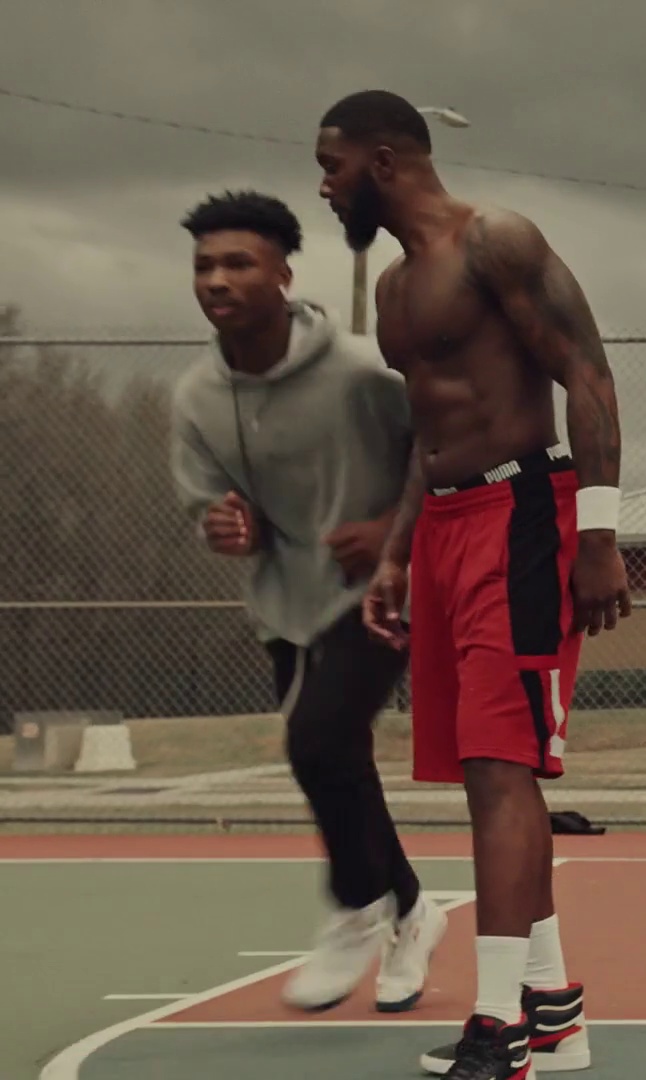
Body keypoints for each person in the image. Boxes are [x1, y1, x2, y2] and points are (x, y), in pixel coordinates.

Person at [315, 89, 628, 1078]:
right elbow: (428, 433)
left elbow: (589, 375)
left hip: (524, 513)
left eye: (330, 166)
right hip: (446, 530)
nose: (323, 187)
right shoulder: (394, 289)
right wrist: (399, 552)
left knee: (502, 767)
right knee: (487, 774)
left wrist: (599, 535)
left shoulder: (496, 241)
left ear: (382, 160)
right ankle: (553, 1012)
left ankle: (499, 1029)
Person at [167, 189, 448, 1013]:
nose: (217, 280)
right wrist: (223, 526)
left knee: (319, 740)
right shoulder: (196, 396)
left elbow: (442, 448)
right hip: (285, 598)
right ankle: (411, 912)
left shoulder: (362, 372)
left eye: (238, 263)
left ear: (284, 276)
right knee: (336, 759)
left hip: (383, 588)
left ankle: (354, 908)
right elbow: (208, 506)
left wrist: (391, 530)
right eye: (204, 266)